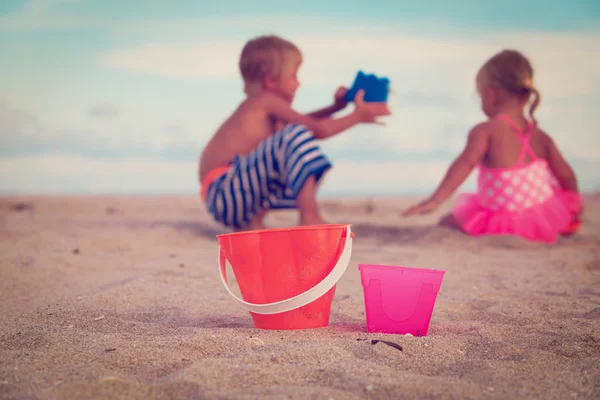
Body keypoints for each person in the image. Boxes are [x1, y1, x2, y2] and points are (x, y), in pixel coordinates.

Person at [198, 35, 391, 231]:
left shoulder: (264, 112)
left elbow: (307, 124)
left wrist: (336, 108)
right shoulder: (265, 101)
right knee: (294, 137)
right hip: (224, 191)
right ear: (271, 81)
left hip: (230, 197)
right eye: (294, 77)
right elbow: (316, 130)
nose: (299, 84)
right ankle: (309, 216)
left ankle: (252, 224)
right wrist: (357, 116)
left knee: (292, 142)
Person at [402, 49, 582, 243]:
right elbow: (566, 175)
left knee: (447, 221)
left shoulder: (485, 131)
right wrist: (573, 211)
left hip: (498, 218)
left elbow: (465, 164)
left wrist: (436, 200)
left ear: (490, 94)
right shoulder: (541, 137)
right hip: (540, 217)